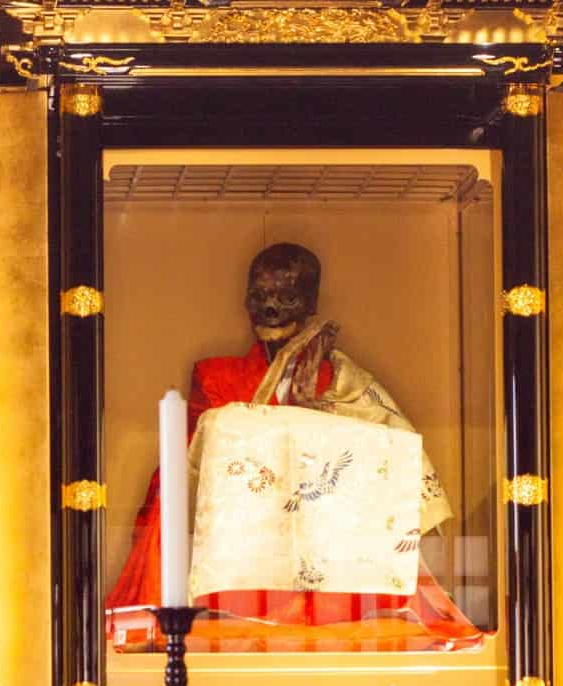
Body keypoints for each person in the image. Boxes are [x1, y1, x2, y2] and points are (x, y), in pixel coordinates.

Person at [106, 242, 483, 652]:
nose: (271, 309)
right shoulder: (216, 376)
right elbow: (203, 451)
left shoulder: (341, 381)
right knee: (171, 484)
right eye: (261, 296)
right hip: (238, 525)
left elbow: (390, 446)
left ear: (310, 303)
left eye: (286, 298)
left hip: (324, 534)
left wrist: (315, 408)